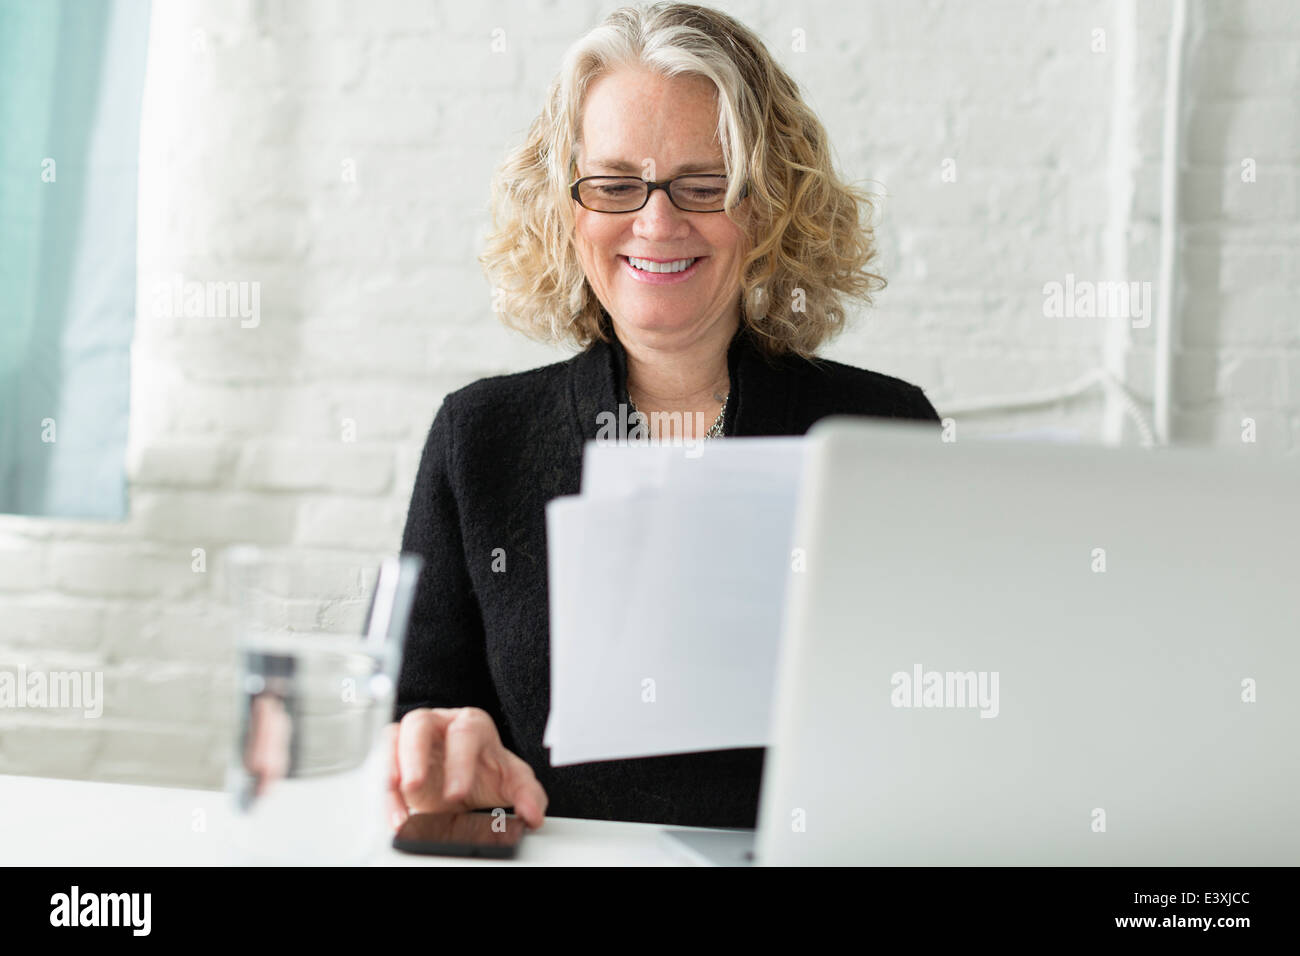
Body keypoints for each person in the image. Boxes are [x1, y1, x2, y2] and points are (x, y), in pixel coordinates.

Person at [386, 2, 941, 832]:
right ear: (567, 207)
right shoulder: (480, 437)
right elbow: (412, 724)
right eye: (614, 184)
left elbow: (938, 727)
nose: (656, 220)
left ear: (767, 203)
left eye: (704, 183)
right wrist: (441, 755)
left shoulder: (883, 431)